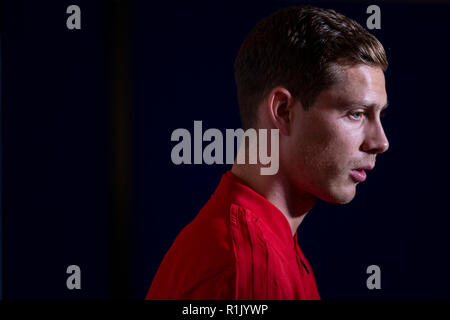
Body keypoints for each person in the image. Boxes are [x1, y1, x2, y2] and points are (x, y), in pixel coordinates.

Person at [146, 5, 389, 300]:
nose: (380, 141)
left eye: (380, 116)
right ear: (284, 111)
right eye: (357, 114)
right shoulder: (248, 273)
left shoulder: (268, 245)